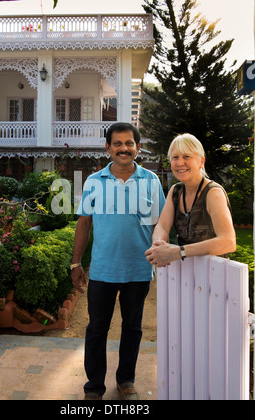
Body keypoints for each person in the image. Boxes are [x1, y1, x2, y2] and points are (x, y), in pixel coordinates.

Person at [71, 122, 165, 400]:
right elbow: (84, 223)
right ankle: (94, 386)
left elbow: (161, 222)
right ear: (108, 147)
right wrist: (76, 263)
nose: (123, 148)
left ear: (137, 147)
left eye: (129, 143)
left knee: (132, 328)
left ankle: (126, 379)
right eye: (117, 143)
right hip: (102, 270)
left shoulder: (151, 180)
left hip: (138, 269)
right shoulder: (93, 182)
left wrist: (161, 255)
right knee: (97, 329)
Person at [145, 133, 236, 268]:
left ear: (201, 161)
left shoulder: (213, 193)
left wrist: (179, 252)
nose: (180, 163)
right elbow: (162, 226)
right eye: (175, 157)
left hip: (214, 274)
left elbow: (228, 242)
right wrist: (158, 246)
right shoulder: (175, 191)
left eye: (187, 156)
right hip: (187, 273)